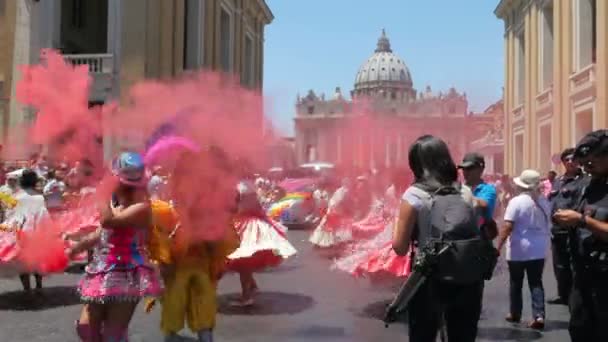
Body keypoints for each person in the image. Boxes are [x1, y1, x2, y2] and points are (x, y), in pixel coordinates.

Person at [392, 135, 482, 342]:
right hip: (467, 275)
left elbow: (400, 248)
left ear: (417, 163)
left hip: (429, 278)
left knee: (422, 335)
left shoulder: (414, 195)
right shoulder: (465, 191)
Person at [66, 152, 163, 341]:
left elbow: (109, 222)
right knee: (86, 329)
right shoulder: (116, 204)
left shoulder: (142, 207)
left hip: (128, 273)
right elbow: (102, 233)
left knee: (113, 335)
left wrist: (101, 193)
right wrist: (76, 247)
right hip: (102, 271)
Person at [553, 129, 608, 342]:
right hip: (583, 278)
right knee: (580, 330)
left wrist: (582, 221)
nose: (586, 167)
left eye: (591, 162)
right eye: (583, 163)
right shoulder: (587, 186)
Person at [227, 174, 297, 306]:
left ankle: (246, 296)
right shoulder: (248, 184)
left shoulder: (238, 186)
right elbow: (256, 207)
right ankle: (252, 286)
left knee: (242, 260)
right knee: (244, 258)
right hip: (252, 222)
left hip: (244, 224)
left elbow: (234, 208)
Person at [496, 169, 551, 329]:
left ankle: (515, 313)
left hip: (519, 250)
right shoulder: (544, 201)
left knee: (516, 282)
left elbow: (507, 226)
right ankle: (539, 316)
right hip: (539, 249)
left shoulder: (516, 202)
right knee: (536, 283)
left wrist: (498, 246)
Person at [4, 169, 50, 292]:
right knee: (37, 259)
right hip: (36, 231)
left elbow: (10, 215)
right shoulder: (39, 197)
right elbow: (43, 216)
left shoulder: (16, 196)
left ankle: (27, 289)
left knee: (22, 261)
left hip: (18, 232)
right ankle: (39, 286)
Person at [547, 148, 583, 305]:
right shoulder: (557, 181)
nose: (570, 162)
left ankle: (577, 296)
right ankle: (563, 294)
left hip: (575, 229)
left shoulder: (584, 181)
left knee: (576, 265)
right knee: (559, 265)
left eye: (572, 159)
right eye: (566, 159)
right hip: (557, 230)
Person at [458, 152, 498, 238]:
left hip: (480, 241)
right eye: (464, 169)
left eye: (469, 168)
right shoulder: (458, 188)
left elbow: (484, 204)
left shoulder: (488, 189)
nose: (466, 172)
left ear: (481, 169)